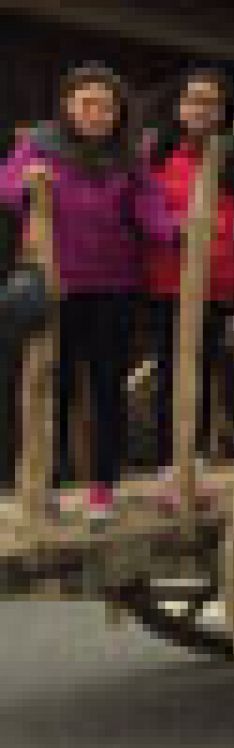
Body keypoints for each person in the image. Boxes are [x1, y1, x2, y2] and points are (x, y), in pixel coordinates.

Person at [0, 63, 178, 519]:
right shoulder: (39, 147)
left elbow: (150, 206)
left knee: (107, 388)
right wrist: (29, 184)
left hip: (116, 286)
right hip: (59, 286)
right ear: (68, 107)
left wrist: (170, 231)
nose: (97, 114)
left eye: (107, 106)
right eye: (88, 104)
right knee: (52, 386)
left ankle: (103, 488)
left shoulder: (129, 159)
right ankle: (52, 484)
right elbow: (8, 187)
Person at [142, 67, 234, 507]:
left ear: (223, 111)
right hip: (169, 280)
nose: (201, 109)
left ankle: (195, 465)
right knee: (173, 371)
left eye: (211, 102)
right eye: (194, 99)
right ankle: (169, 470)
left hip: (217, 281)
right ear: (180, 106)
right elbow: (146, 205)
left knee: (206, 370)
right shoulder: (161, 153)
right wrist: (173, 229)